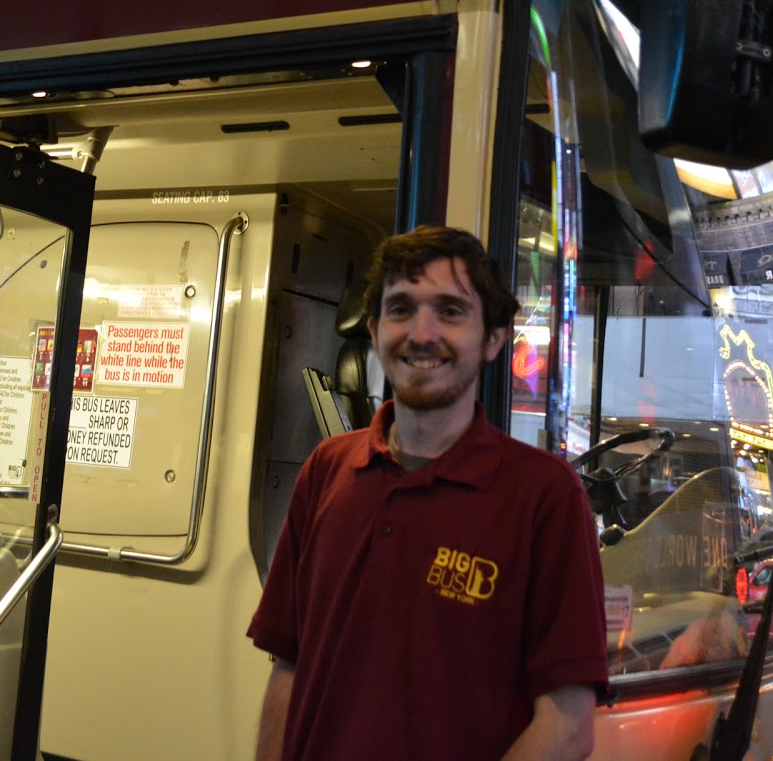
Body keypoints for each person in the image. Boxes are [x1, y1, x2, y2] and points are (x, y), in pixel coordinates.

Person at [248, 225, 607, 761]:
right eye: (400, 309)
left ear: (492, 339)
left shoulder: (545, 498)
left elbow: (568, 722)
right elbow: (289, 665)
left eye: (450, 310)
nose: (421, 332)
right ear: (373, 329)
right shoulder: (326, 470)